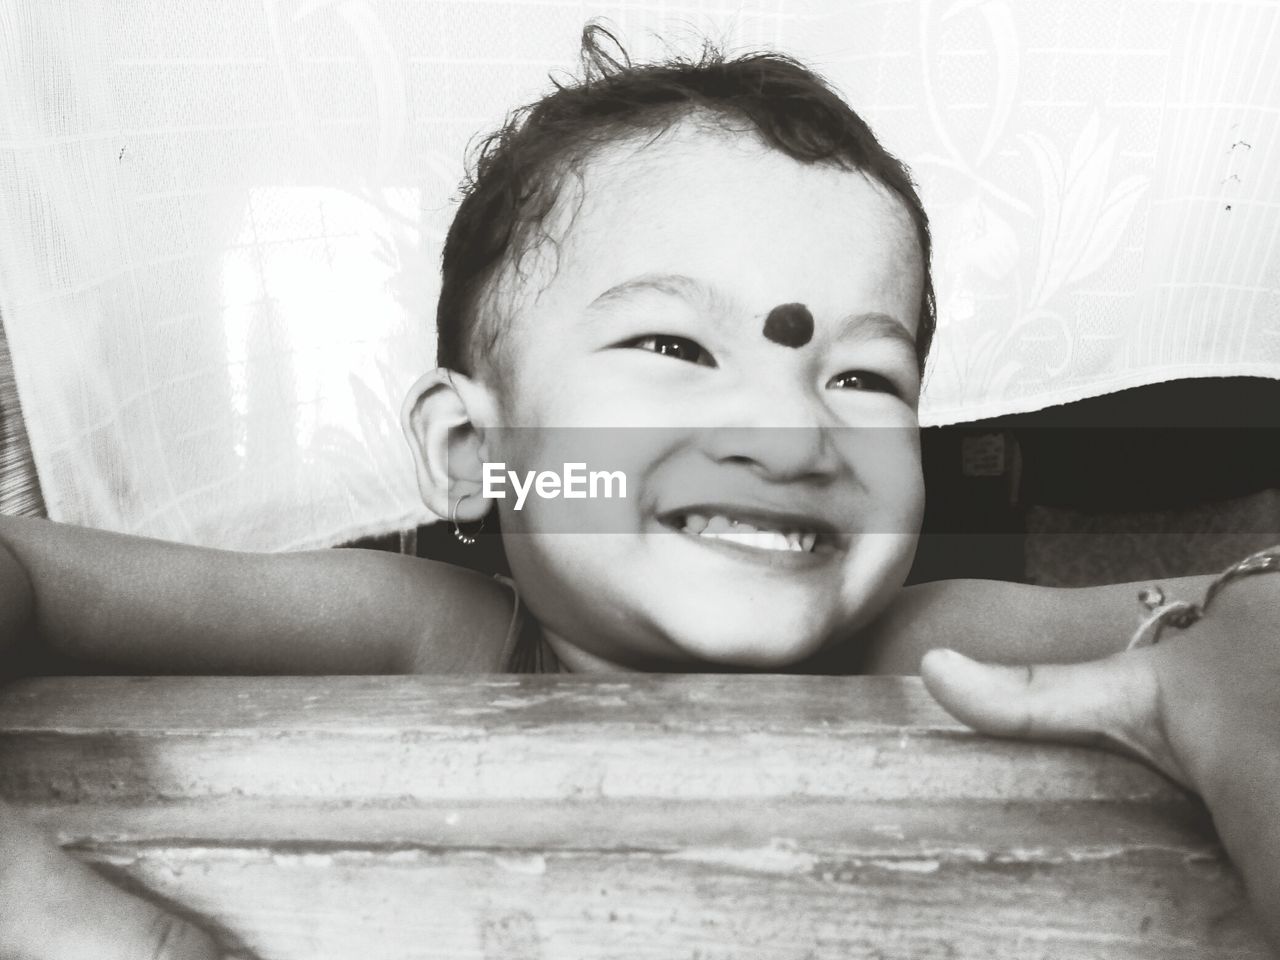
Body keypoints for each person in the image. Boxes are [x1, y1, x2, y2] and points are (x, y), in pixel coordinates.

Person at [1, 27, 1278, 959]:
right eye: (673, 349)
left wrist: (1237, 640)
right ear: (472, 451)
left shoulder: (933, 650)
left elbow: (1234, 608)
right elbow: (32, 582)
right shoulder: (426, 638)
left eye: (864, 376)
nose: (787, 430)